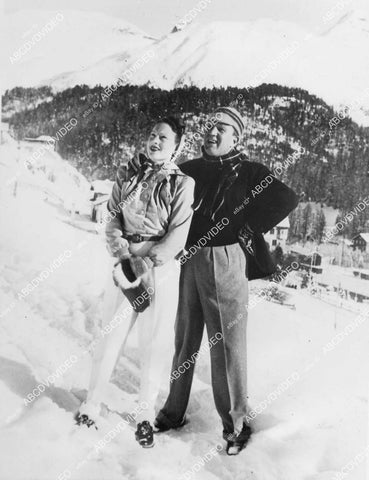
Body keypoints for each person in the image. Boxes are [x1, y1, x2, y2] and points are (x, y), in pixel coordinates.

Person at [155, 106, 299, 455]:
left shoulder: (249, 172)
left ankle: (236, 425)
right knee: (184, 339)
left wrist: (249, 226)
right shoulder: (189, 169)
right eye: (210, 127)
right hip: (191, 260)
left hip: (226, 259)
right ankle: (173, 413)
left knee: (227, 345)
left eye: (223, 129)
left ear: (236, 137)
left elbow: (286, 198)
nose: (213, 133)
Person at [76, 116, 195, 448]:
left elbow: (178, 233)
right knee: (110, 333)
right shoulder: (129, 173)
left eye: (164, 138)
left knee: (154, 341)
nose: (155, 142)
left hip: (160, 266)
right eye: (152, 135)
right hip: (125, 262)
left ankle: (144, 415)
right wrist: (121, 250)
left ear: (177, 146)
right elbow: (113, 215)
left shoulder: (182, 183)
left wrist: (149, 259)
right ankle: (92, 403)